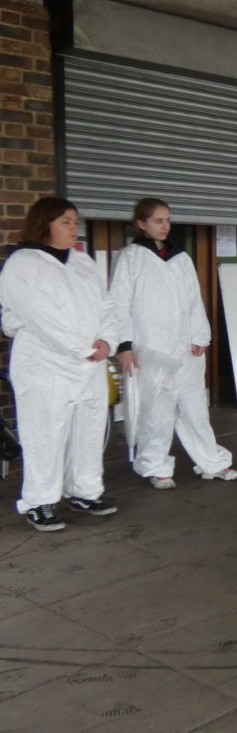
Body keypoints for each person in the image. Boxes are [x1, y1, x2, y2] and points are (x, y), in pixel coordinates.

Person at [0, 197, 118, 531]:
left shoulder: (82, 262)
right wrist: (83, 347)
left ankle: (84, 490)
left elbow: (106, 306)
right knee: (45, 434)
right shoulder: (23, 264)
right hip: (45, 363)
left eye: (74, 222)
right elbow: (40, 317)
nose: (73, 228)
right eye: (65, 221)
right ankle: (40, 501)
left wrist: (106, 341)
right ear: (45, 224)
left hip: (89, 363)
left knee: (89, 430)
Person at [109, 198, 237, 489]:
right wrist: (124, 345)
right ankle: (156, 465)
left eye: (167, 220)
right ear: (141, 223)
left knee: (195, 409)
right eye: (158, 220)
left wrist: (199, 335)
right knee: (155, 411)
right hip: (151, 348)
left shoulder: (180, 257)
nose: (165, 226)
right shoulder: (130, 258)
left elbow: (193, 299)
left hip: (184, 347)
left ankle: (212, 461)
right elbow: (118, 303)